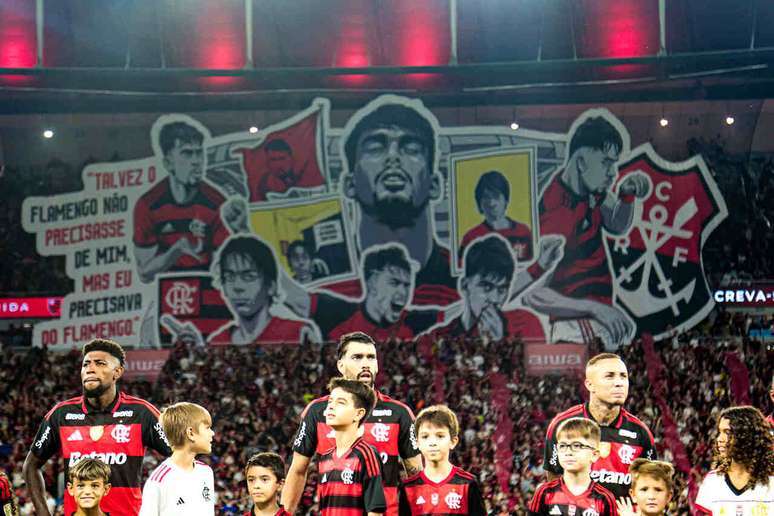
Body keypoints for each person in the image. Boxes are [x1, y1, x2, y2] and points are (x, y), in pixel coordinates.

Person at [524, 114, 649, 349]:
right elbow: (534, 294)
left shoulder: (589, 189)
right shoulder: (557, 215)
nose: (613, 172)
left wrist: (626, 196)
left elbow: (616, 224)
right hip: (576, 327)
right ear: (581, 162)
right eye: (606, 162)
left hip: (597, 319)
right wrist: (595, 308)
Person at [23, 339, 171, 516]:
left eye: (100, 363)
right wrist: (43, 514)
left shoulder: (141, 412)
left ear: (117, 372)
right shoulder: (61, 414)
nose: (90, 369)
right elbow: (31, 465)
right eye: (86, 364)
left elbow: (179, 456)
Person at [282, 332, 421, 515]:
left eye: (371, 357)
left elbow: (416, 474)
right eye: (357, 357)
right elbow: (298, 471)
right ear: (340, 365)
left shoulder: (399, 413)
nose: (365, 363)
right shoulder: (318, 411)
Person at [338, 97, 458, 306]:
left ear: (435, 184)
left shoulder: (465, 279)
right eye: (375, 148)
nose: (393, 157)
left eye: (411, 149)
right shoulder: (330, 280)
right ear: (349, 184)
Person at [133, 118, 246, 283]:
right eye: (187, 153)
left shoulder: (216, 203)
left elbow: (222, 266)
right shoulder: (148, 204)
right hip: (161, 295)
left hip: (205, 289)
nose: (197, 161)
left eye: (199, 152)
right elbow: (144, 274)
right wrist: (175, 251)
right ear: (168, 163)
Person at [543, 353, 656, 500]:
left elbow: (649, 486)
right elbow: (554, 476)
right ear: (590, 385)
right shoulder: (562, 425)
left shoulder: (641, 433)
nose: (619, 383)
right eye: (609, 376)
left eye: (623, 376)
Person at [282, 245, 442, 341]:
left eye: (407, 285)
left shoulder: (412, 320)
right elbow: (292, 294)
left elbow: (454, 315)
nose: (403, 292)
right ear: (371, 282)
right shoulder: (338, 313)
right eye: (394, 283)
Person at [425, 235, 551, 342]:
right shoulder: (442, 335)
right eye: (486, 287)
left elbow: (535, 367)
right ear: (464, 286)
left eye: (502, 289)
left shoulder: (525, 323)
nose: (495, 298)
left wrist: (500, 341)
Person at [204, 235, 319, 345]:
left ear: (271, 286)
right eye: (229, 277)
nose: (237, 287)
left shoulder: (297, 334)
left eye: (249, 277)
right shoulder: (217, 341)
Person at [317, 377, 387, 516]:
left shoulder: (366, 454)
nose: (330, 406)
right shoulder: (324, 458)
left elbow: (375, 512)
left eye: (340, 402)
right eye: (330, 401)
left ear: (358, 413)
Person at [398, 405, 485, 516]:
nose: (432, 442)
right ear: (417, 443)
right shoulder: (408, 488)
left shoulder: (468, 484)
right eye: (425, 437)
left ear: (453, 441)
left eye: (440, 436)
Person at [139, 402, 216, 516]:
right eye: (207, 428)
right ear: (190, 433)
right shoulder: (159, 481)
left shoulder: (206, 471)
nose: (212, 433)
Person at [529, 418, 617, 516]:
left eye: (577, 446)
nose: (568, 452)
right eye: (562, 446)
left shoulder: (605, 499)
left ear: (594, 455)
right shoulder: (544, 492)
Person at [695, 406, 774, 515]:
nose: (719, 439)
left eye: (727, 432)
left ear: (747, 435)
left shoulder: (772, 482)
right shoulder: (712, 481)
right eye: (719, 432)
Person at [459, 170, 533, 262]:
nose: (491, 203)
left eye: (496, 196)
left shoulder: (523, 231)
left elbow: (533, 267)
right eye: (486, 197)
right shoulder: (471, 237)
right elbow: (462, 271)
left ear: (506, 200)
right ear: (479, 203)